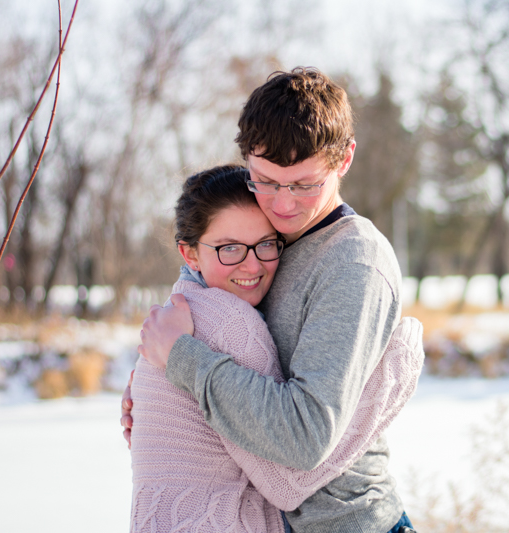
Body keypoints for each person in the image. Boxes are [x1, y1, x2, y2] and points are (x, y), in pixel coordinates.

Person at [130, 67, 417, 533]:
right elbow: (200, 284)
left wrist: (183, 362)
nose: (282, 204)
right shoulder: (263, 237)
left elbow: (305, 436)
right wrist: (158, 389)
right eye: (264, 179)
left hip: (348, 522)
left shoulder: (353, 263)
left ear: (344, 160)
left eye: (305, 185)